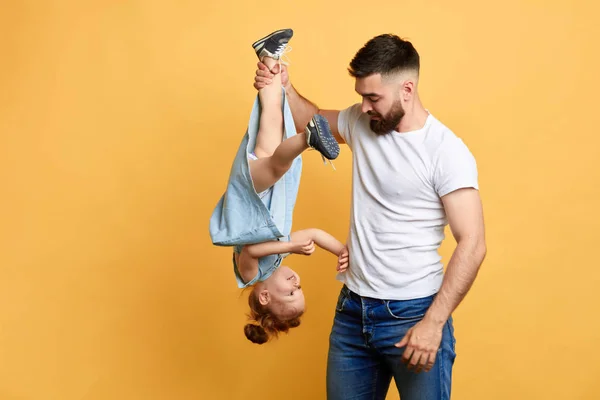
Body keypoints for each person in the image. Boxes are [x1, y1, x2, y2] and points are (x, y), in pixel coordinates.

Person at [254, 33, 487, 399]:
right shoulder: (364, 123)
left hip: (413, 316)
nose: (363, 106)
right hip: (352, 311)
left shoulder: (446, 152)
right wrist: (284, 85)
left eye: (373, 97)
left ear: (407, 89)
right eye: (362, 96)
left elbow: (473, 243)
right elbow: (310, 120)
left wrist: (434, 322)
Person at [209, 29, 349, 345]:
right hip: (265, 191)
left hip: (250, 199)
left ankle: (308, 138)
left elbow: (253, 248)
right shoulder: (277, 263)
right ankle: (269, 56)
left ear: (264, 297)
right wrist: (342, 251)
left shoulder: (249, 275)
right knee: (273, 115)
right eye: (300, 289)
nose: (297, 283)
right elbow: (312, 234)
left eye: (290, 293)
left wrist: (290, 247)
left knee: (276, 164)